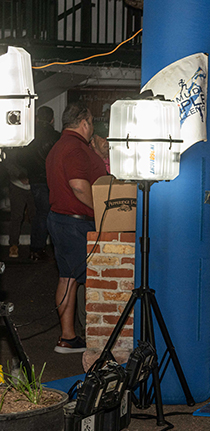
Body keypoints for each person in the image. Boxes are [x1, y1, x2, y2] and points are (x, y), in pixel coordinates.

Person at [46, 102, 106, 354]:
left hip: (63, 219)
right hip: (74, 221)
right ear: (84, 123)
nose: (92, 128)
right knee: (78, 279)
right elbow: (79, 186)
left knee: (68, 278)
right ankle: (71, 337)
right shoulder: (74, 148)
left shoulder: (61, 145)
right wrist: (103, 212)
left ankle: (68, 336)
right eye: (91, 123)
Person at [18, 106, 60, 262]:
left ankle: (36, 248)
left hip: (35, 179)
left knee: (40, 214)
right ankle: (40, 248)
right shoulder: (56, 137)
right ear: (52, 120)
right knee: (50, 214)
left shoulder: (30, 136)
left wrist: (29, 171)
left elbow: (20, 158)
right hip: (51, 180)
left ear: (37, 118)